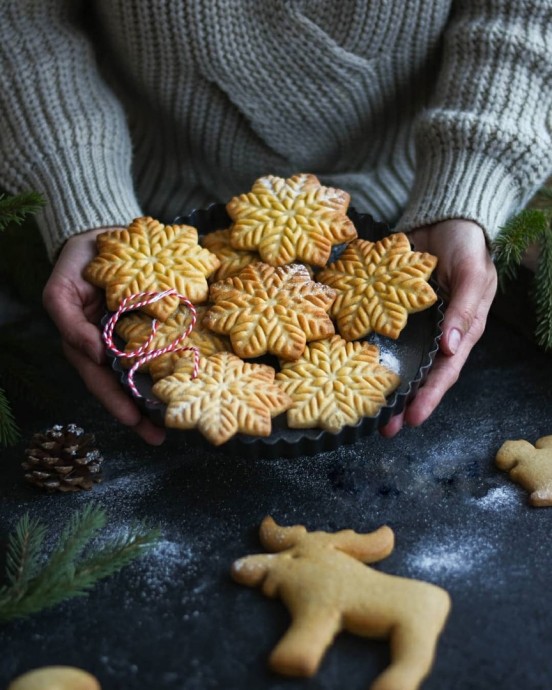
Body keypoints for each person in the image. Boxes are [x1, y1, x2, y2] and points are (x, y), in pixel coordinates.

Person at [0, 1, 550, 445]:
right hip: (132, 201)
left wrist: (467, 185)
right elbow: (20, 22)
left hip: (414, 205)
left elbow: (521, 15)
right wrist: (77, 194)